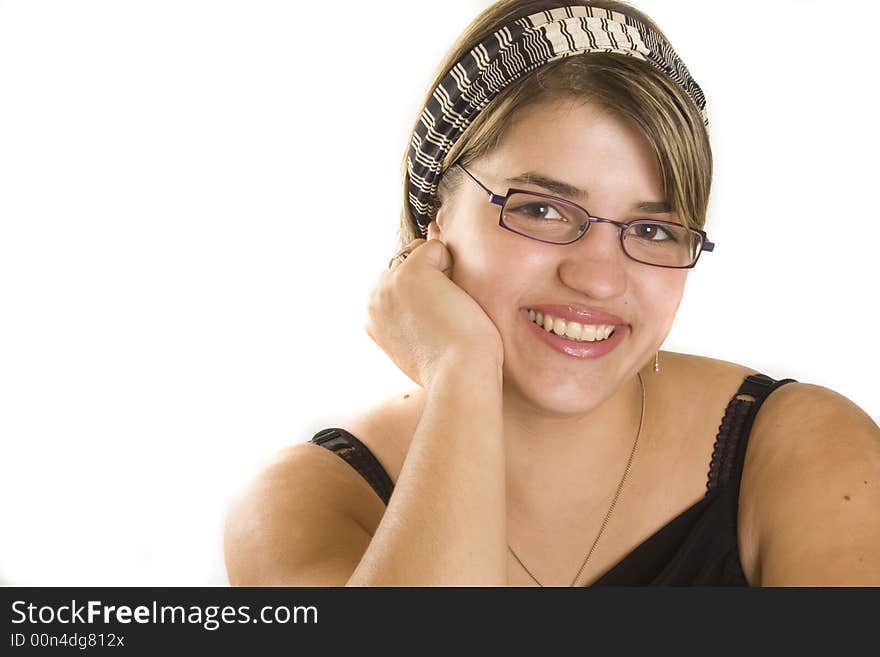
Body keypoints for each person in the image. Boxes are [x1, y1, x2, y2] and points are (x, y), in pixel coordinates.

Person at [223, 0, 880, 586]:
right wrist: (461, 369)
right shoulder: (304, 500)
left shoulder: (806, 450)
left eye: (652, 228)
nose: (598, 277)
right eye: (541, 210)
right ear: (437, 217)